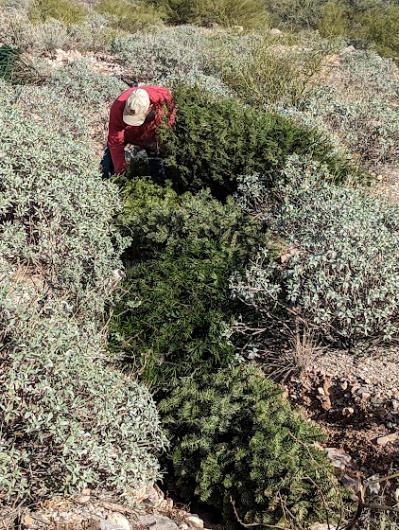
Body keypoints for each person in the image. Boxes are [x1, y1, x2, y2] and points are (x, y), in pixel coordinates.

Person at [101, 85, 175, 179]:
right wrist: (121, 172)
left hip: (152, 136)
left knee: (159, 169)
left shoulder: (163, 97)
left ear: (150, 107)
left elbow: (171, 117)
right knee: (107, 167)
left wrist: (161, 138)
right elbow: (115, 142)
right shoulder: (118, 107)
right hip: (129, 134)